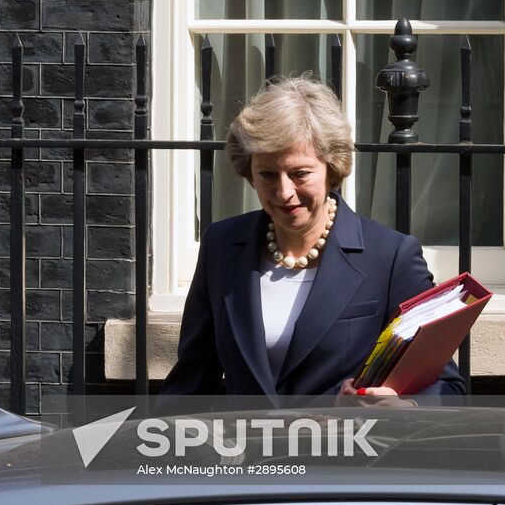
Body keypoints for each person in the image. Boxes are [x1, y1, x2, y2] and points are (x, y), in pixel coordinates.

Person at [160, 76, 465, 401]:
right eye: (267, 174)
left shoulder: (390, 257)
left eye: (300, 173)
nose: (284, 191)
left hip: (348, 449)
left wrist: (403, 408)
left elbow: (446, 386)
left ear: (332, 168)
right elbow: (190, 383)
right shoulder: (221, 245)